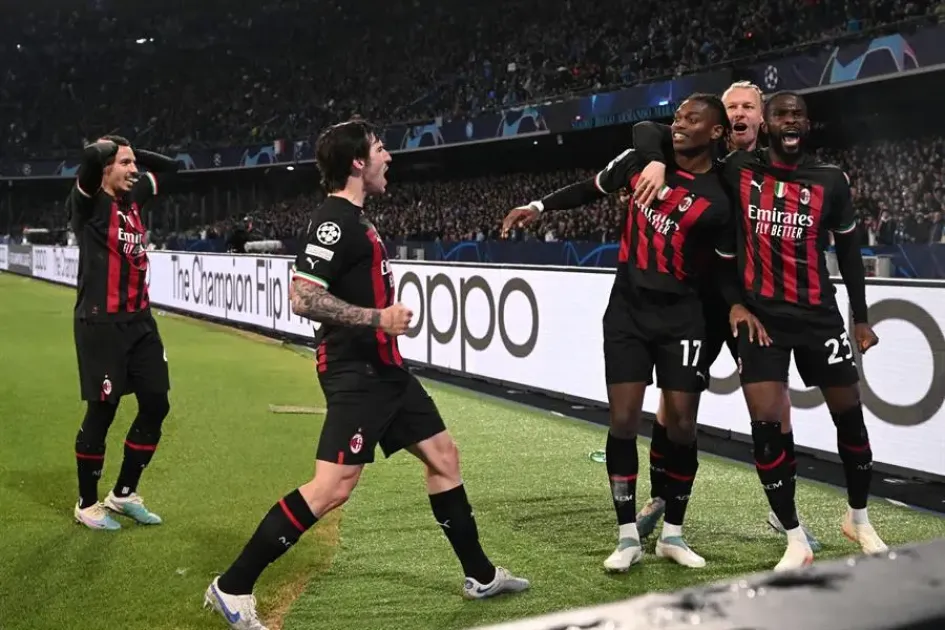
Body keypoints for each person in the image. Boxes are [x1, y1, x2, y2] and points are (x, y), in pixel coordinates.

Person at [204, 120, 528, 630]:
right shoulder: (333, 221)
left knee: (444, 457)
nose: (388, 157)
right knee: (331, 488)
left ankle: (480, 575)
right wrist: (379, 318)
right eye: (380, 149)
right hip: (356, 372)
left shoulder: (359, 219)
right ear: (357, 161)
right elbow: (302, 297)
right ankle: (233, 585)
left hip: (387, 370)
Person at [503, 94, 768, 571]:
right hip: (627, 312)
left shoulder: (721, 197)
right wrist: (539, 205)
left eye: (692, 119)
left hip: (684, 317)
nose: (680, 124)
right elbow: (592, 185)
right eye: (679, 116)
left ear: (715, 132)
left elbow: (727, 267)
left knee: (683, 425)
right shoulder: (641, 160)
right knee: (623, 421)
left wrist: (734, 305)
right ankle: (627, 536)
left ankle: (673, 534)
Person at [631, 91, 887, 571]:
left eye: (755, 107)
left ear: (799, 123)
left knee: (844, 418)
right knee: (691, 405)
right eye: (739, 110)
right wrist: (655, 163)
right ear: (752, 125)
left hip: (808, 315)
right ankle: (677, 502)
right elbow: (651, 133)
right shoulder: (733, 168)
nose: (748, 116)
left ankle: (855, 518)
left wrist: (861, 317)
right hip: (738, 313)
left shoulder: (828, 180)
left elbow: (850, 253)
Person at [68, 135, 179, 530]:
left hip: (140, 323)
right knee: (104, 408)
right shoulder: (87, 203)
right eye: (126, 164)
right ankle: (86, 504)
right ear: (106, 169)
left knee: (156, 403)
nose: (135, 170)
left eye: (135, 163)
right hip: (101, 324)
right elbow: (88, 159)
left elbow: (172, 167)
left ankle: (123, 494)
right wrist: (105, 149)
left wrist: (130, 149)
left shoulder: (134, 199)